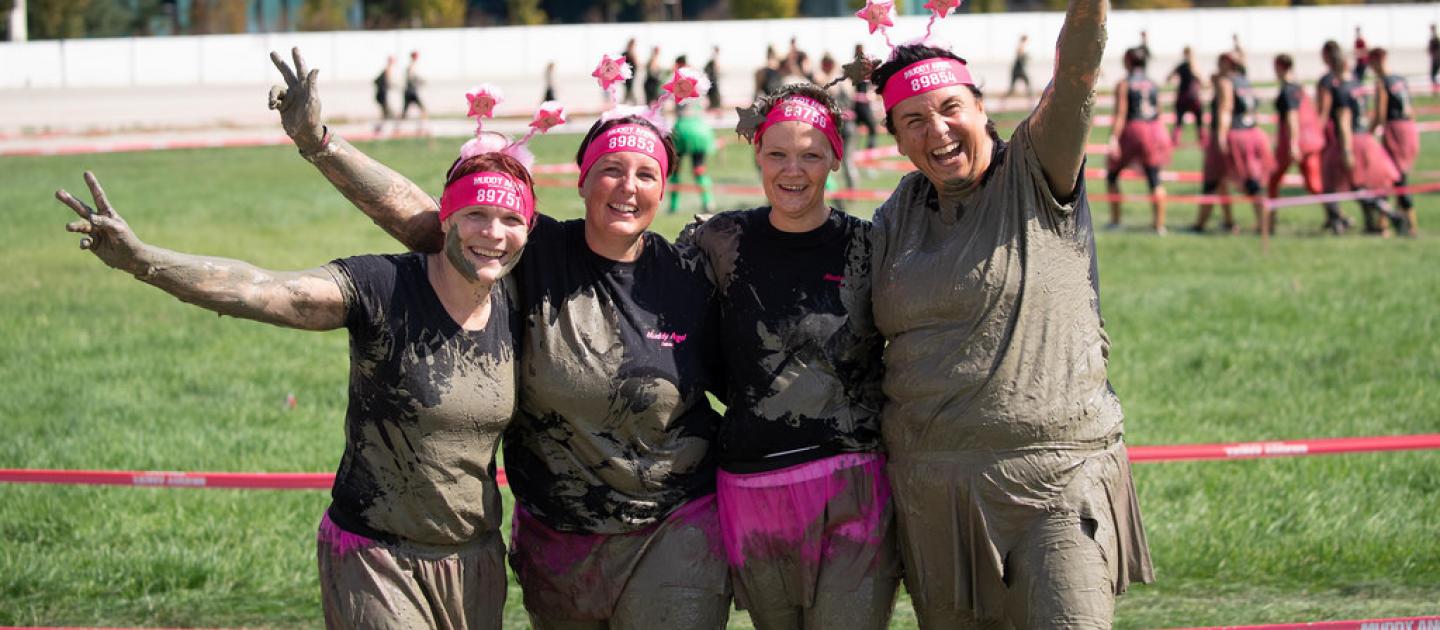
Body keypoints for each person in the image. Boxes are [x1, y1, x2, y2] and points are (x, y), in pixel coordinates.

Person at [54, 50, 542, 630]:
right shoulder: (382, 288)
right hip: (375, 558)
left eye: (511, 221)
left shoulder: (520, 301)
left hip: (472, 563)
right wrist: (144, 261)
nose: (493, 234)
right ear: (447, 219)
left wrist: (318, 142)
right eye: (476, 215)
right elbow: (263, 290)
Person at [268, 48, 733, 628]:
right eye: (611, 169)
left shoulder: (688, 278)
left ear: (664, 189)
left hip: (676, 524)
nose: (627, 187)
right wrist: (320, 144)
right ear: (583, 179)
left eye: (646, 175)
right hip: (557, 540)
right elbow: (428, 217)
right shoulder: (529, 254)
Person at [865, 0, 1153, 625]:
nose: (936, 131)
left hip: (1057, 483)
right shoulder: (898, 215)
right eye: (912, 120)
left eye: (949, 109)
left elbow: (1077, 71)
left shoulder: (1035, 171)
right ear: (895, 138)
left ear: (980, 108)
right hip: (934, 494)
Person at [686, 82, 900, 630]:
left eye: (810, 154)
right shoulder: (720, 240)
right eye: (777, 153)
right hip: (752, 486)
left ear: (834, 157)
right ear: (756, 153)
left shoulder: (866, 246)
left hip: (851, 480)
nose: (793, 170)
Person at [1317, 40, 1400, 236]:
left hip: (1348, 141)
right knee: (1359, 185)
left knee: (1329, 183)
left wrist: (1346, 150)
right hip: (1365, 138)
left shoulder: (1339, 88)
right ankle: (1381, 219)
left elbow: (1343, 120)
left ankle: (1338, 222)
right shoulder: (1357, 84)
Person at [1193, 53, 1273, 235]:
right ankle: (1247, 222)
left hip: (1232, 135)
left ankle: (1200, 225)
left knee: (1213, 182)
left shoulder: (1225, 82)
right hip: (1251, 133)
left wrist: (1221, 136)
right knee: (1237, 180)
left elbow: (1225, 109)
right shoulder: (1245, 82)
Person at [1105, 47, 1172, 234]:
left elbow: (1120, 114)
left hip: (1133, 130)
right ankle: (1159, 226)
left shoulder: (1124, 84)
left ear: (1128, 61)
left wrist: (1113, 138)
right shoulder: (1152, 83)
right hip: (1154, 130)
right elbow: (1159, 112)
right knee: (1154, 178)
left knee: (1112, 174)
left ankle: (1116, 220)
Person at [1369, 48, 1420, 236]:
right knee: (1398, 176)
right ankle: (1399, 223)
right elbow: (1410, 110)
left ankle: (1394, 225)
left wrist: (1368, 135)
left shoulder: (1382, 83)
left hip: (1394, 132)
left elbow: (1380, 115)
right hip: (1409, 131)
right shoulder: (1401, 80)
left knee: (1391, 177)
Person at [1267, 53, 1324, 206]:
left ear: (1279, 67)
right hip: (1309, 140)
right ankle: (1336, 216)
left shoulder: (1287, 91)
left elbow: (1292, 117)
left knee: (1273, 180)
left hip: (1293, 142)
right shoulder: (1299, 87)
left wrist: (1293, 144)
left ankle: (1268, 222)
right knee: (1314, 184)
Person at [670, 56, 717, 215]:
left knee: (675, 169)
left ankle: (674, 206)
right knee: (699, 169)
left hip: (683, 129)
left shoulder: (676, 83)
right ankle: (708, 201)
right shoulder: (699, 83)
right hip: (700, 130)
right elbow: (706, 104)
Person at [1168, 46, 1206, 143]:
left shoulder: (1184, 66)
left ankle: (1176, 139)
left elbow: (1169, 77)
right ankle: (1201, 139)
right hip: (1191, 96)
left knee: (1181, 120)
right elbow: (1202, 81)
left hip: (1185, 96)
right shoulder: (1192, 66)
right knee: (1197, 119)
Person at [851, 44, 880, 151]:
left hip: (860, 103)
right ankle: (869, 149)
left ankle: (860, 148)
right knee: (871, 126)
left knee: (857, 127)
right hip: (860, 103)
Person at [401, 50, 427, 132]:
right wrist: (420, 81)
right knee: (423, 109)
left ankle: (397, 127)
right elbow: (411, 78)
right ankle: (421, 127)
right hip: (411, 91)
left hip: (408, 91)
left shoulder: (410, 65)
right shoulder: (412, 66)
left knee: (405, 112)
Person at [1006, 35, 1031, 100]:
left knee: (1027, 85)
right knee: (1028, 86)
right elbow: (1020, 56)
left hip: (1017, 70)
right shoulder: (1021, 46)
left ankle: (1031, 102)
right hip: (1018, 70)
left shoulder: (1021, 46)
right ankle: (1031, 102)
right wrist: (1026, 56)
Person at [373, 55, 394, 134]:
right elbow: (388, 82)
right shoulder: (388, 70)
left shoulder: (385, 70)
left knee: (384, 112)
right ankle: (379, 128)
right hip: (382, 94)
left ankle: (380, 127)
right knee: (386, 112)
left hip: (381, 94)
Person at [622, 38, 640, 105]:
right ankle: (634, 104)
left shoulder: (633, 54)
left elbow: (637, 65)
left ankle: (627, 104)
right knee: (629, 92)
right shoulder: (625, 54)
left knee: (629, 92)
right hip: (626, 78)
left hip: (632, 77)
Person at [705, 46, 722, 111]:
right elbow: (714, 70)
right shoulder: (713, 59)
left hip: (713, 81)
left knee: (715, 99)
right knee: (715, 99)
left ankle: (714, 109)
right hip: (713, 81)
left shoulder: (713, 58)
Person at [1428, 24, 1439, 94]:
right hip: (1435, 58)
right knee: (1433, 75)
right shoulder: (1434, 37)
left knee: (1432, 75)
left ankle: (1435, 90)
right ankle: (1435, 90)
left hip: (1436, 59)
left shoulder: (1435, 37)